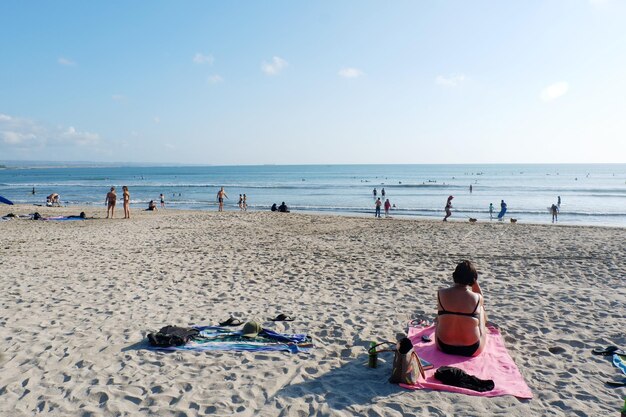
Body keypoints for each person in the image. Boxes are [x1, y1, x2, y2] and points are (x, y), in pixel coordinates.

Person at [435, 260, 487, 357]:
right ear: (472, 279)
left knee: (440, 315)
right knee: (481, 310)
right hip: (472, 349)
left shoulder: (441, 293)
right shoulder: (477, 298)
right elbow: (481, 300)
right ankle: (483, 329)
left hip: (443, 346)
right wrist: (474, 281)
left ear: (455, 276)